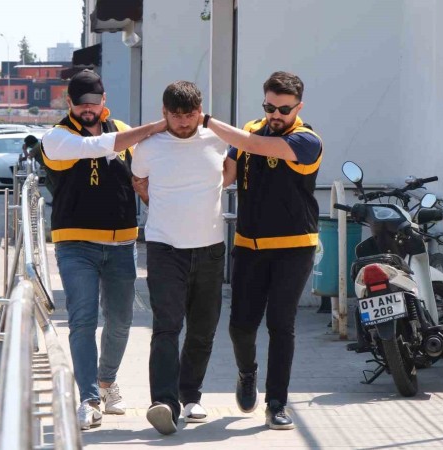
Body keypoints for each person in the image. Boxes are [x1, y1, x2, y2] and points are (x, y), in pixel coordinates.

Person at [40, 69, 167, 431]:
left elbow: (146, 168)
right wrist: (153, 127)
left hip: (122, 243)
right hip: (75, 244)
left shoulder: (121, 130)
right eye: (81, 104)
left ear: (104, 101)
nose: (88, 110)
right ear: (69, 103)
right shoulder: (57, 137)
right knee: (83, 320)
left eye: (94, 103)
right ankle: (89, 398)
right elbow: (94, 148)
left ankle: (107, 382)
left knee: (122, 321)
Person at [201, 71, 323, 430]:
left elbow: (256, 146)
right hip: (249, 245)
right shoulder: (250, 130)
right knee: (240, 325)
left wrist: (208, 121)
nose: (275, 115)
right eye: (269, 107)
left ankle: (277, 403)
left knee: (280, 324)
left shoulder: (307, 140)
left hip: (294, 246)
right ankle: (247, 372)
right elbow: (226, 175)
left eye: (283, 109)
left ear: (298, 107)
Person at [131, 81, 228, 435]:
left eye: (190, 115)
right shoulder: (148, 146)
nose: (184, 122)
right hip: (164, 248)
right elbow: (139, 182)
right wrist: (163, 207)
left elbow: (229, 173)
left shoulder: (218, 141)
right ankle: (164, 403)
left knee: (203, 329)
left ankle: (191, 396)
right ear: (164, 113)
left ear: (200, 111)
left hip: (210, 248)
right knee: (166, 326)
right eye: (176, 115)